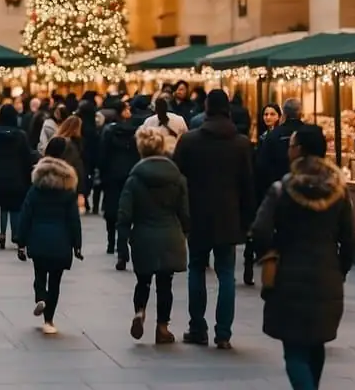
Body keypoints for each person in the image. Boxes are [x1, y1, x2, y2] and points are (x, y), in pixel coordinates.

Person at [251, 125, 355, 390]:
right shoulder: (339, 191)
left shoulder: (282, 189)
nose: (289, 150)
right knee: (315, 342)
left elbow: (260, 229)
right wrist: (340, 268)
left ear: (300, 151)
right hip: (327, 273)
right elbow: (350, 238)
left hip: (289, 273)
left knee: (295, 349)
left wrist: (270, 254)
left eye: (292, 145)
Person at [172, 89, 255, 349]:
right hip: (228, 216)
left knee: (196, 268)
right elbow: (248, 185)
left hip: (196, 214)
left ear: (206, 108)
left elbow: (177, 178)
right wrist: (247, 220)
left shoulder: (189, 141)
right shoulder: (241, 143)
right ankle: (224, 333)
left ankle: (198, 327)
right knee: (227, 274)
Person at [118, 126, 189, 345]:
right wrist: (184, 233)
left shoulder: (134, 179)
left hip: (143, 236)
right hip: (170, 234)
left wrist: (122, 244)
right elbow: (184, 212)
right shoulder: (177, 178)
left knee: (143, 281)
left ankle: (140, 311)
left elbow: (124, 214)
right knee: (165, 284)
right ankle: (162, 327)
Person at [13, 139, 83, 336]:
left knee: (39, 273)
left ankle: (39, 297)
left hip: (39, 237)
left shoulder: (36, 188)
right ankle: (49, 320)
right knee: (56, 281)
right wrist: (77, 244)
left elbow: (26, 214)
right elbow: (73, 219)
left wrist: (21, 241)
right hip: (61, 240)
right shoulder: (68, 189)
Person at [0, 104, 36, 249]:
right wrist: (28, 177)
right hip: (16, 178)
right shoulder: (21, 136)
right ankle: (16, 233)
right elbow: (27, 158)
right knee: (16, 207)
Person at [98, 103, 140, 266]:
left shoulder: (109, 131)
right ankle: (123, 247)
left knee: (111, 210)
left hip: (112, 175)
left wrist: (102, 173)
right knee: (127, 212)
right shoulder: (135, 131)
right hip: (130, 174)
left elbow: (102, 155)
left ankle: (111, 243)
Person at [245, 103, 283, 284]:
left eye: (272, 114)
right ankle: (250, 263)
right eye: (266, 114)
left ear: (279, 116)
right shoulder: (261, 137)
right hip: (262, 188)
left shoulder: (276, 138)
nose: (268, 117)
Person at [257, 98, 307, 206]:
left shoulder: (272, 135)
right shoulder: (308, 133)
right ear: (300, 113)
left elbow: (262, 166)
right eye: (266, 114)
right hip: (305, 190)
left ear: (283, 114)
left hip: (279, 191)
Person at [50, 116, 88, 210]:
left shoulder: (56, 141)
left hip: (55, 182)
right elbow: (77, 168)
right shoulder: (72, 146)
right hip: (68, 184)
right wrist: (81, 192)